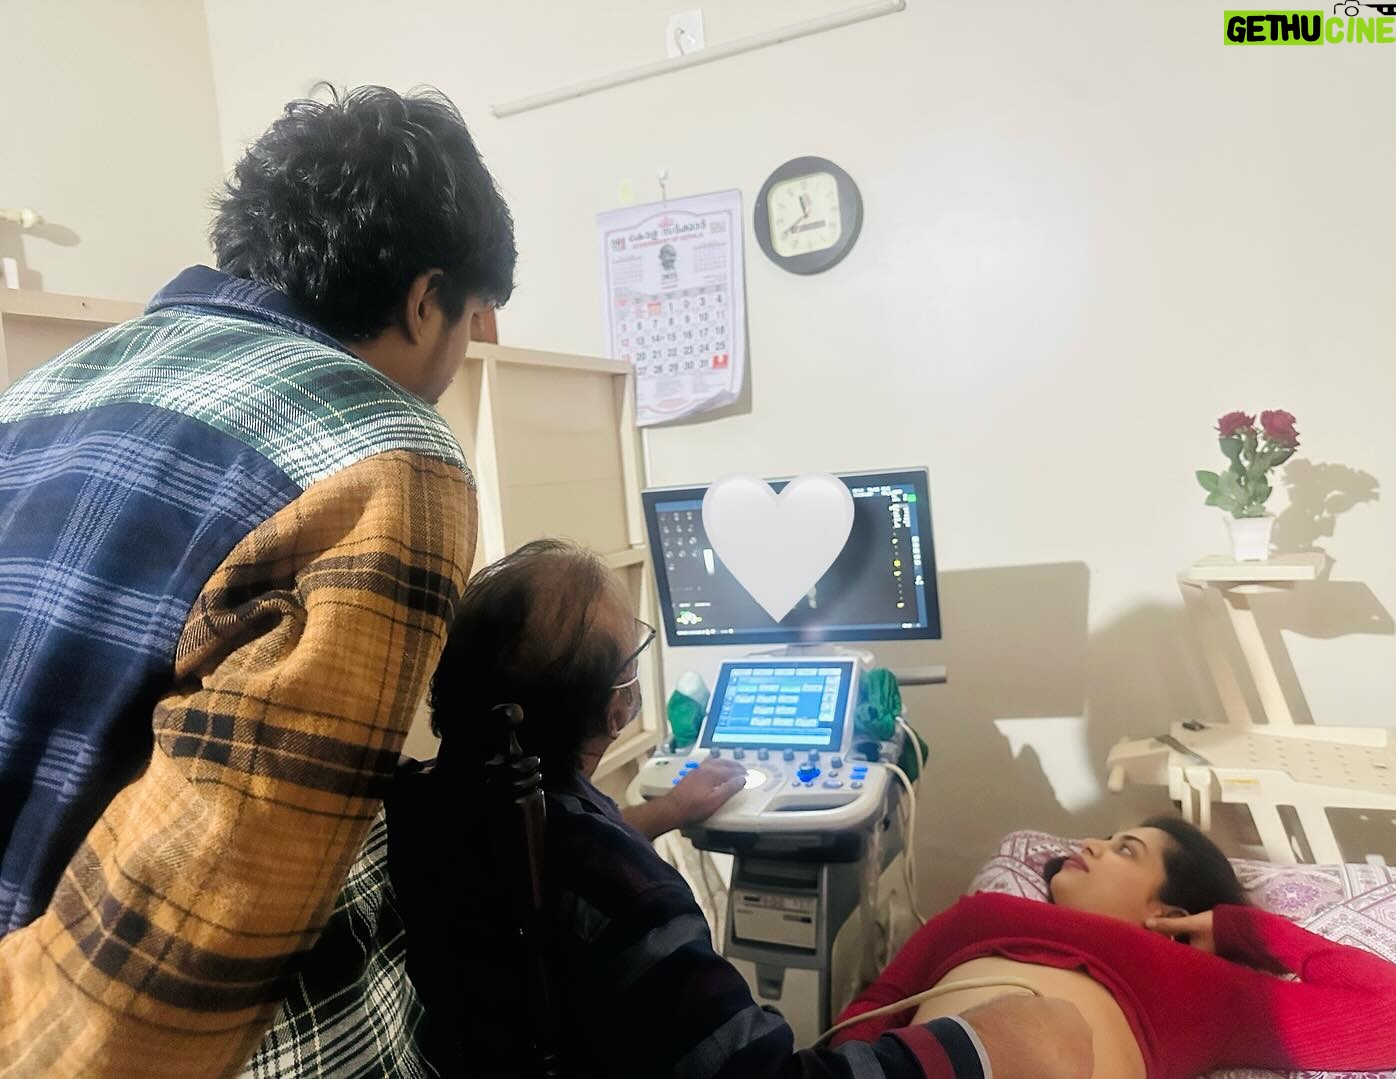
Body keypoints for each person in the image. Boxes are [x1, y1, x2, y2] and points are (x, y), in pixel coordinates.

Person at [0, 85, 515, 1075]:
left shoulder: (37, 392)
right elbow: (197, 932)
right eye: (469, 320)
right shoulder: (388, 455)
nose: (459, 357)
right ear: (425, 299)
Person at [385, 538, 1095, 1078]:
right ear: (617, 706)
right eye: (632, 658)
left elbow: (542, 862)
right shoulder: (628, 893)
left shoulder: (422, 804)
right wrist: (981, 1045)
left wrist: (666, 811)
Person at [832, 816, 1396, 1079]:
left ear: (1167, 912)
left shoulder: (1192, 980)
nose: (1090, 845)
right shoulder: (982, 913)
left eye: (1126, 850)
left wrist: (1245, 931)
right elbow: (874, 1008)